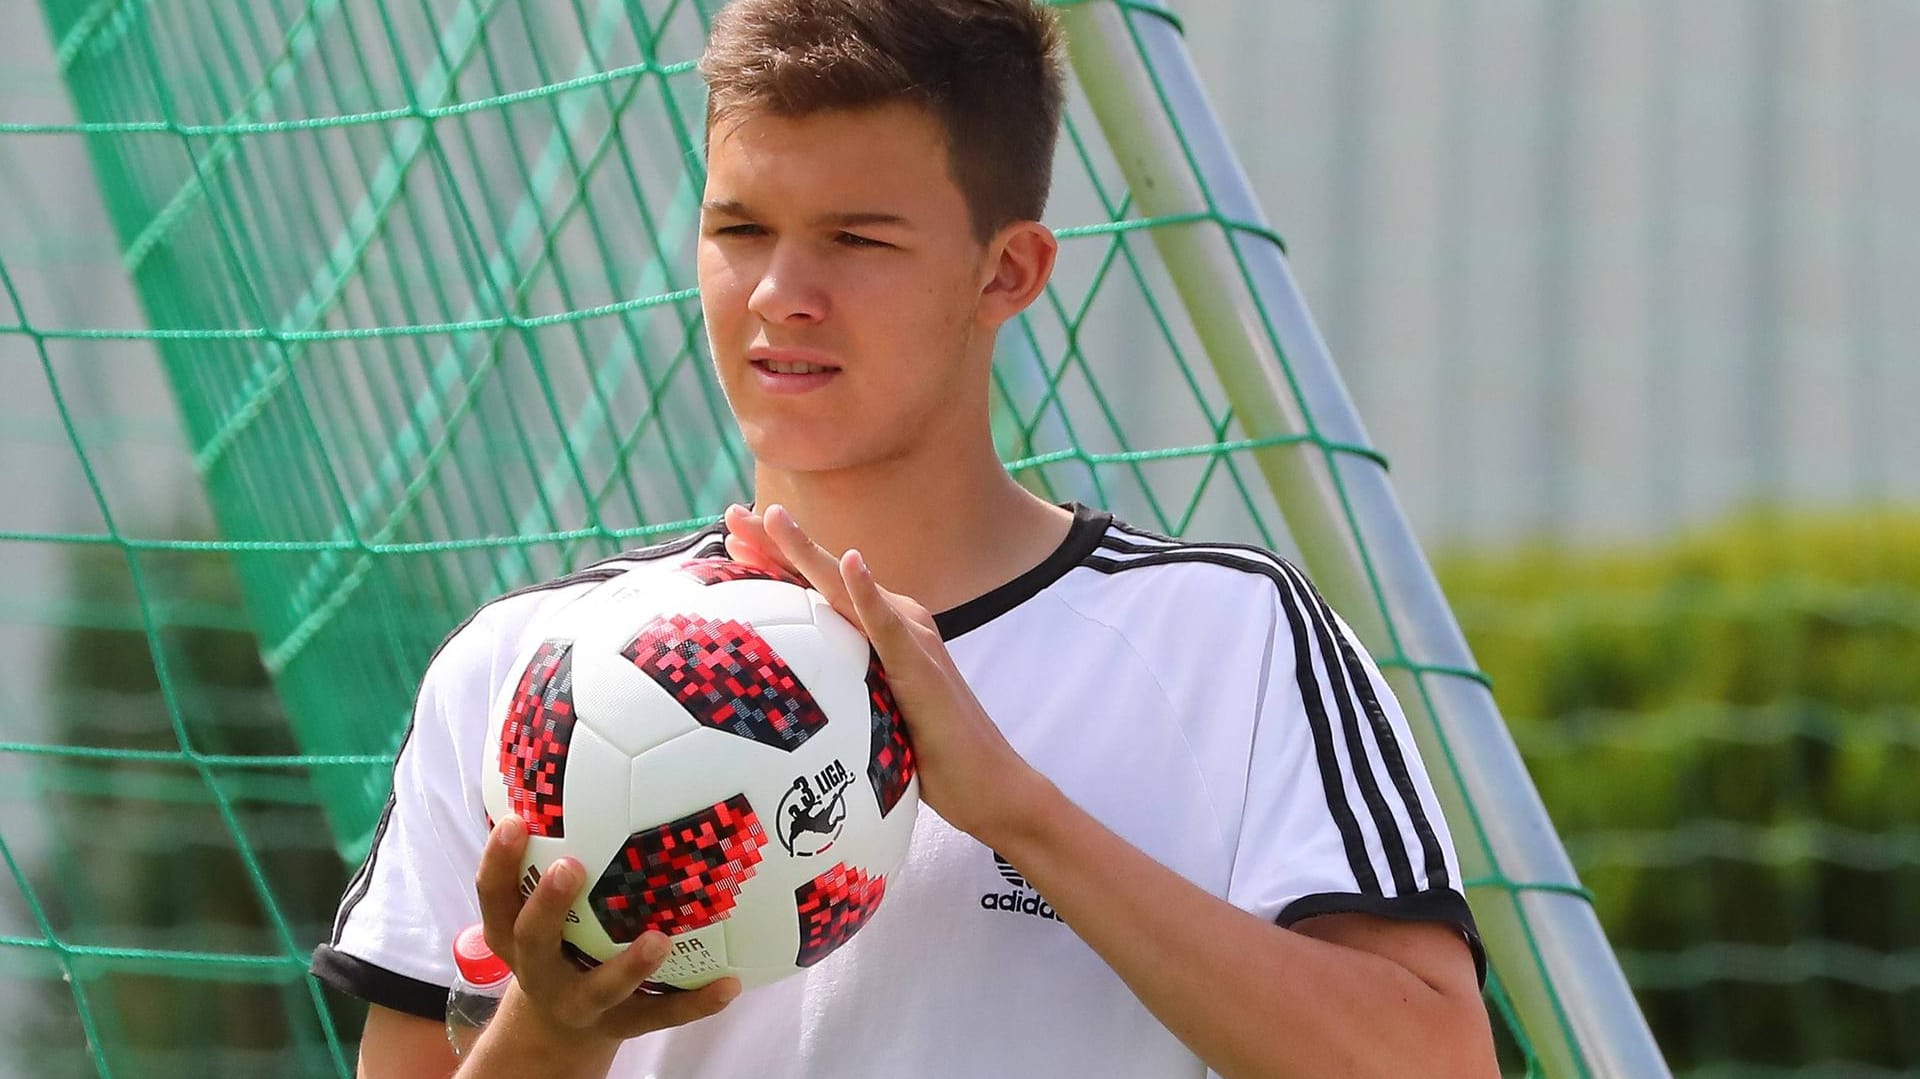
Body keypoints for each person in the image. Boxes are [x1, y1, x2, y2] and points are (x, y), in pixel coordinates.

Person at [311, 1, 1498, 1075]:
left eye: (857, 240)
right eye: (739, 228)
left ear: (1009, 270)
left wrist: (1021, 812)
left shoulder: (1228, 643)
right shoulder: (528, 673)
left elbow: (1438, 1061)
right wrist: (553, 1032)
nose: (780, 290)